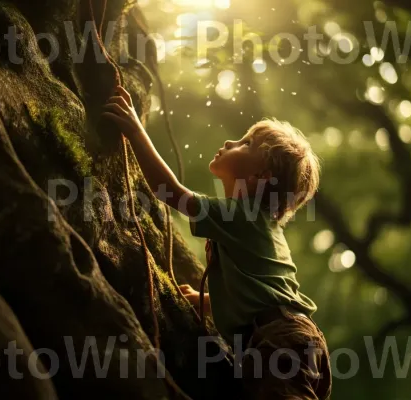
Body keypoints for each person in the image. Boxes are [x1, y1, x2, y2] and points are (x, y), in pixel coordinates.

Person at [103, 85, 332, 400]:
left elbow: (169, 191)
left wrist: (135, 129)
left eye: (246, 143)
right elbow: (257, 293)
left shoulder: (243, 215)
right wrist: (205, 300)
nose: (230, 142)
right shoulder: (254, 225)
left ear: (259, 176)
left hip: (279, 339)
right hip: (292, 337)